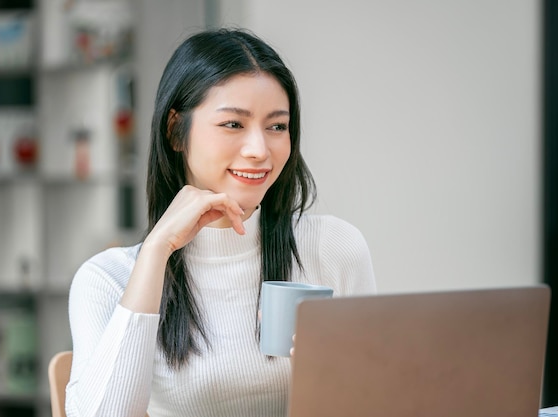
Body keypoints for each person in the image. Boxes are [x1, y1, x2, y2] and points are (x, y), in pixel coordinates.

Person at [65, 28, 376, 417]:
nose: (259, 150)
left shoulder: (333, 248)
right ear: (176, 130)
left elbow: (375, 397)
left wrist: (326, 386)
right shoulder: (106, 280)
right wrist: (157, 250)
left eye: (277, 126)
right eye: (233, 124)